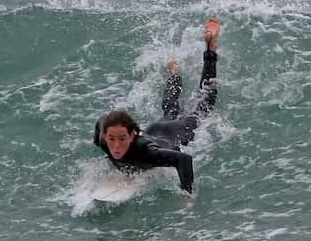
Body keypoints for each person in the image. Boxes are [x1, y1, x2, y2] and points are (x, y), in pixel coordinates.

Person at [93, 18, 220, 194]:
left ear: (132, 135)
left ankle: (210, 49)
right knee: (169, 107)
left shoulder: (147, 153)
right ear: (105, 136)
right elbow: (101, 121)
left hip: (180, 131)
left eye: (122, 139)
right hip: (159, 128)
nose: (115, 146)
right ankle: (175, 73)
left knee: (204, 101)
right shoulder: (103, 140)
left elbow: (184, 160)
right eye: (111, 139)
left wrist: (186, 195)